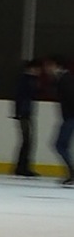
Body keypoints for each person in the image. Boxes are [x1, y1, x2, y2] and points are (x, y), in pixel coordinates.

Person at [44, 55, 74, 185]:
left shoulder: (65, 80)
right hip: (69, 117)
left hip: (70, 117)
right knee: (61, 145)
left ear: (54, 65)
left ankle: (72, 173)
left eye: (48, 66)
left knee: (60, 145)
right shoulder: (62, 79)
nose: (46, 69)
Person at [11, 59, 42, 177]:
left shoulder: (29, 80)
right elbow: (21, 96)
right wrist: (19, 112)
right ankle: (22, 167)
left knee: (28, 140)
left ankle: (23, 166)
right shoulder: (26, 80)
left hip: (25, 113)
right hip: (24, 113)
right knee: (27, 140)